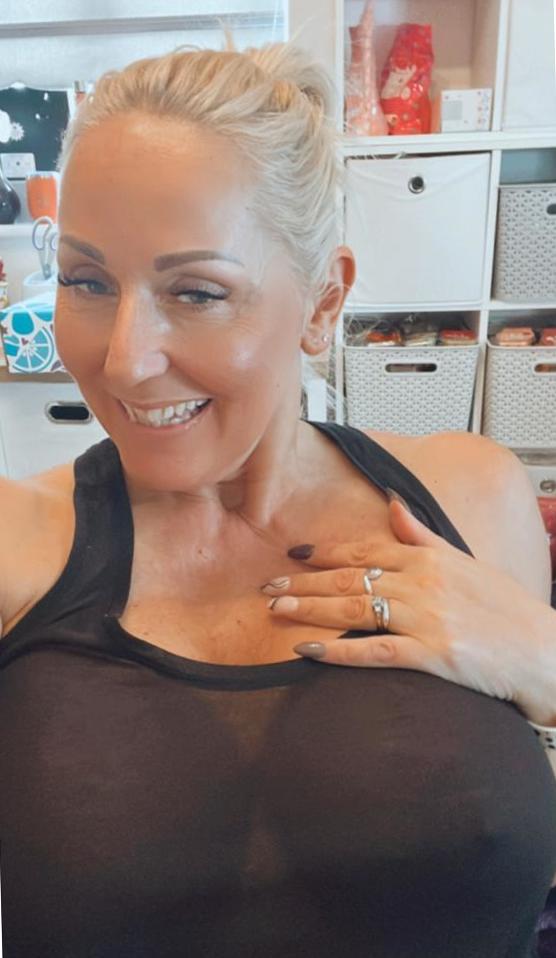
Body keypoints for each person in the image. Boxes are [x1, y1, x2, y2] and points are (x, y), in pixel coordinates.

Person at [0, 38, 555, 958]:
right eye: (87, 282)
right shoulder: (17, 543)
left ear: (324, 302)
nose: (125, 358)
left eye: (197, 292)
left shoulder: (472, 496)